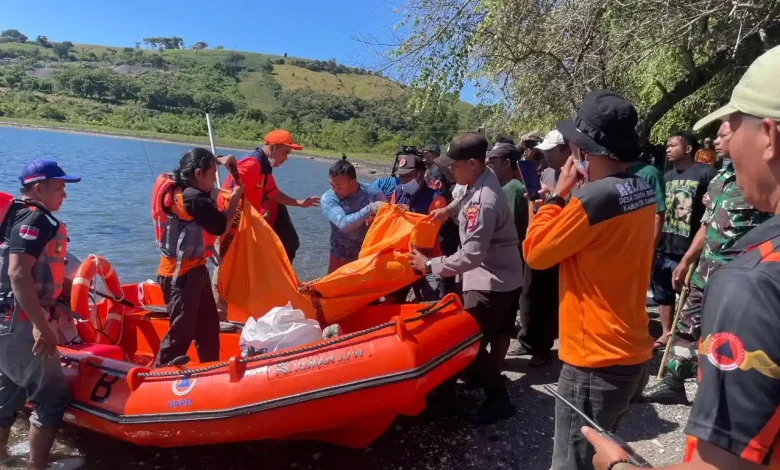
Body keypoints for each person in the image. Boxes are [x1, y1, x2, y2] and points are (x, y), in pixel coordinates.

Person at [584, 43, 780, 470]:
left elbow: (724, 465)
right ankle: (674, 377)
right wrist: (692, 257)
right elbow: (708, 222)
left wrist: (618, 466)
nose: (723, 141)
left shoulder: (756, 282)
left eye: (732, 128)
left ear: (769, 137)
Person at [522, 91, 656, 470]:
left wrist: (557, 197)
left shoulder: (592, 199)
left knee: (571, 464)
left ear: (583, 149)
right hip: (631, 349)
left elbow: (536, 253)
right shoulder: (642, 188)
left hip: (594, 359)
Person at [641, 120, 771, 404]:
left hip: (738, 276)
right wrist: (687, 259)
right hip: (705, 268)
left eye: (723, 135)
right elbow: (706, 223)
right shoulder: (720, 179)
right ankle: (674, 384)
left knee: (728, 332)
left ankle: (723, 394)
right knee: (687, 323)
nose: (715, 141)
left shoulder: (764, 179)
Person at [409, 133, 523, 424]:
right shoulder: (481, 178)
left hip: (491, 280)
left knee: (465, 343)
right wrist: (447, 211)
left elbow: (471, 255)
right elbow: (462, 197)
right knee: (469, 340)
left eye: (454, 165)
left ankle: (498, 401)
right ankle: (454, 392)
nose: (450, 170)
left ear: (472, 163)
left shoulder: (484, 202)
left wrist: (429, 265)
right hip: (493, 273)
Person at [0, 160, 80, 470]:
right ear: (38, 188)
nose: (64, 195)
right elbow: (18, 273)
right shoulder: (36, 219)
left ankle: (3, 458)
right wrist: (40, 325)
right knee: (52, 397)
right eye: (59, 188)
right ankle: (37, 467)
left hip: (6, 318)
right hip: (19, 321)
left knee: (9, 390)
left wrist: (53, 303)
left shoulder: (13, 216)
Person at [154, 149, 243, 367]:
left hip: (196, 270)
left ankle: (209, 369)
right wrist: (235, 199)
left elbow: (193, 159)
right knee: (181, 332)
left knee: (208, 327)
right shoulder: (193, 199)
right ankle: (159, 371)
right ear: (198, 173)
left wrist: (219, 160)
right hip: (179, 276)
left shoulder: (178, 181)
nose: (214, 179)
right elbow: (221, 227)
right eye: (212, 174)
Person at [650, 131, 717, 350]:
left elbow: (714, 208)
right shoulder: (666, 177)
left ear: (688, 149)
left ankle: (695, 339)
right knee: (663, 292)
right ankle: (666, 333)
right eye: (667, 145)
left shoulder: (706, 173)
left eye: (673, 145)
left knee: (692, 295)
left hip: (691, 249)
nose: (667, 149)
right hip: (665, 245)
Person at [513, 129, 570, 365]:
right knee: (529, 295)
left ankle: (542, 348)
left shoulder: (577, 175)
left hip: (558, 244)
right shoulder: (546, 172)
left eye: (551, 151)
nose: (547, 155)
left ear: (566, 150)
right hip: (537, 238)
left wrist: (555, 197)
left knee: (547, 298)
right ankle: (528, 339)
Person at [224, 129, 319, 263]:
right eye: (285, 153)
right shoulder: (252, 164)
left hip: (244, 225)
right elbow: (228, 192)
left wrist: (299, 203)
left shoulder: (264, 168)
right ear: (273, 147)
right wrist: (227, 225)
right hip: (233, 227)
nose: (286, 158)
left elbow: (274, 193)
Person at [485, 142, 528, 367]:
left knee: (501, 319)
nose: (488, 165)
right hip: (510, 262)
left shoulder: (511, 188)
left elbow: (508, 229)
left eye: (492, 161)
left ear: (507, 163)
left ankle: (494, 366)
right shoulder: (509, 186)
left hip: (506, 263)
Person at [386, 153, 446, 302]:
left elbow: (431, 230)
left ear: (421, 174)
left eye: (408, 176)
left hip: (427, 260)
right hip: (401, 258)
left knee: (430, 301)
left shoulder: (436, 199)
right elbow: (391, 222)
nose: (404, 180)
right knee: (393, 299)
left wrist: (410, 214)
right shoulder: (397, 193)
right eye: (401, 176)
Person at [320, 157, 385, 273]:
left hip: (368, 256)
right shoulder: (328, 198)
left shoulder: (373, 192)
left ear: (353, 182)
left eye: (339, 186)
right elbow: (343, 225)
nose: (334, 190)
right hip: (340, 256)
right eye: (332, 185)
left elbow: (389, 213)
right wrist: (369, 209)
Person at [625, 153, 667, 249]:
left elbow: (658, 214)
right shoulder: (607, 170)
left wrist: (651, 249)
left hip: (640, 244)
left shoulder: (650, 173)